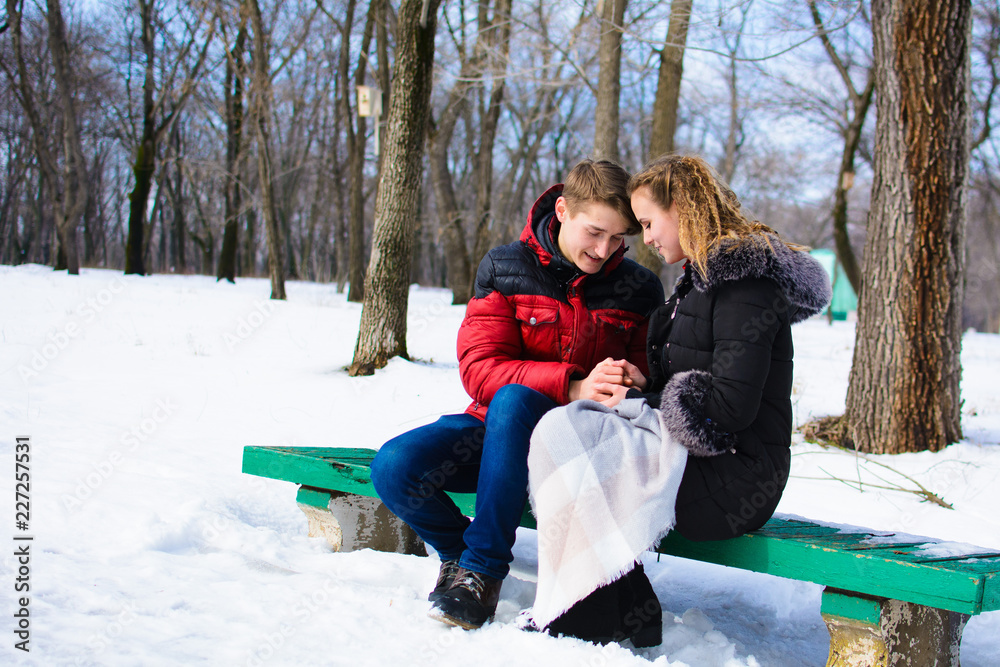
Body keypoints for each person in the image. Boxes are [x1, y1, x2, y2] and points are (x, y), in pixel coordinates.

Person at [525, 154, 832, 645]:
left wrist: (645, 402)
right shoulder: (701, 280)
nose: (645, 239)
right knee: (569, 426)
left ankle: (591, 612)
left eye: (648, 223)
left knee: (588, 451)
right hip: (700, 456)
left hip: (735, 476)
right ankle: (619, 602)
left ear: (683, 209)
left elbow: (729, 407)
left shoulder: (744, 284)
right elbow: (692, 384)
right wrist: (641, 387)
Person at [369, 159, 665, 631]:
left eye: (617, 239)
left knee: (513, 400)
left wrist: (636, 379)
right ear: (563, 210)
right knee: (394, 466)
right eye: (594, 233)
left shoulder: (639, 288)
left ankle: (483, 574)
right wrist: (571, 384)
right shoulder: (505, 268)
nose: (604, 250)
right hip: (493, 432)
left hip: (576, 446)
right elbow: (480, 369)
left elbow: (652, 378)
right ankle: (459, 557)